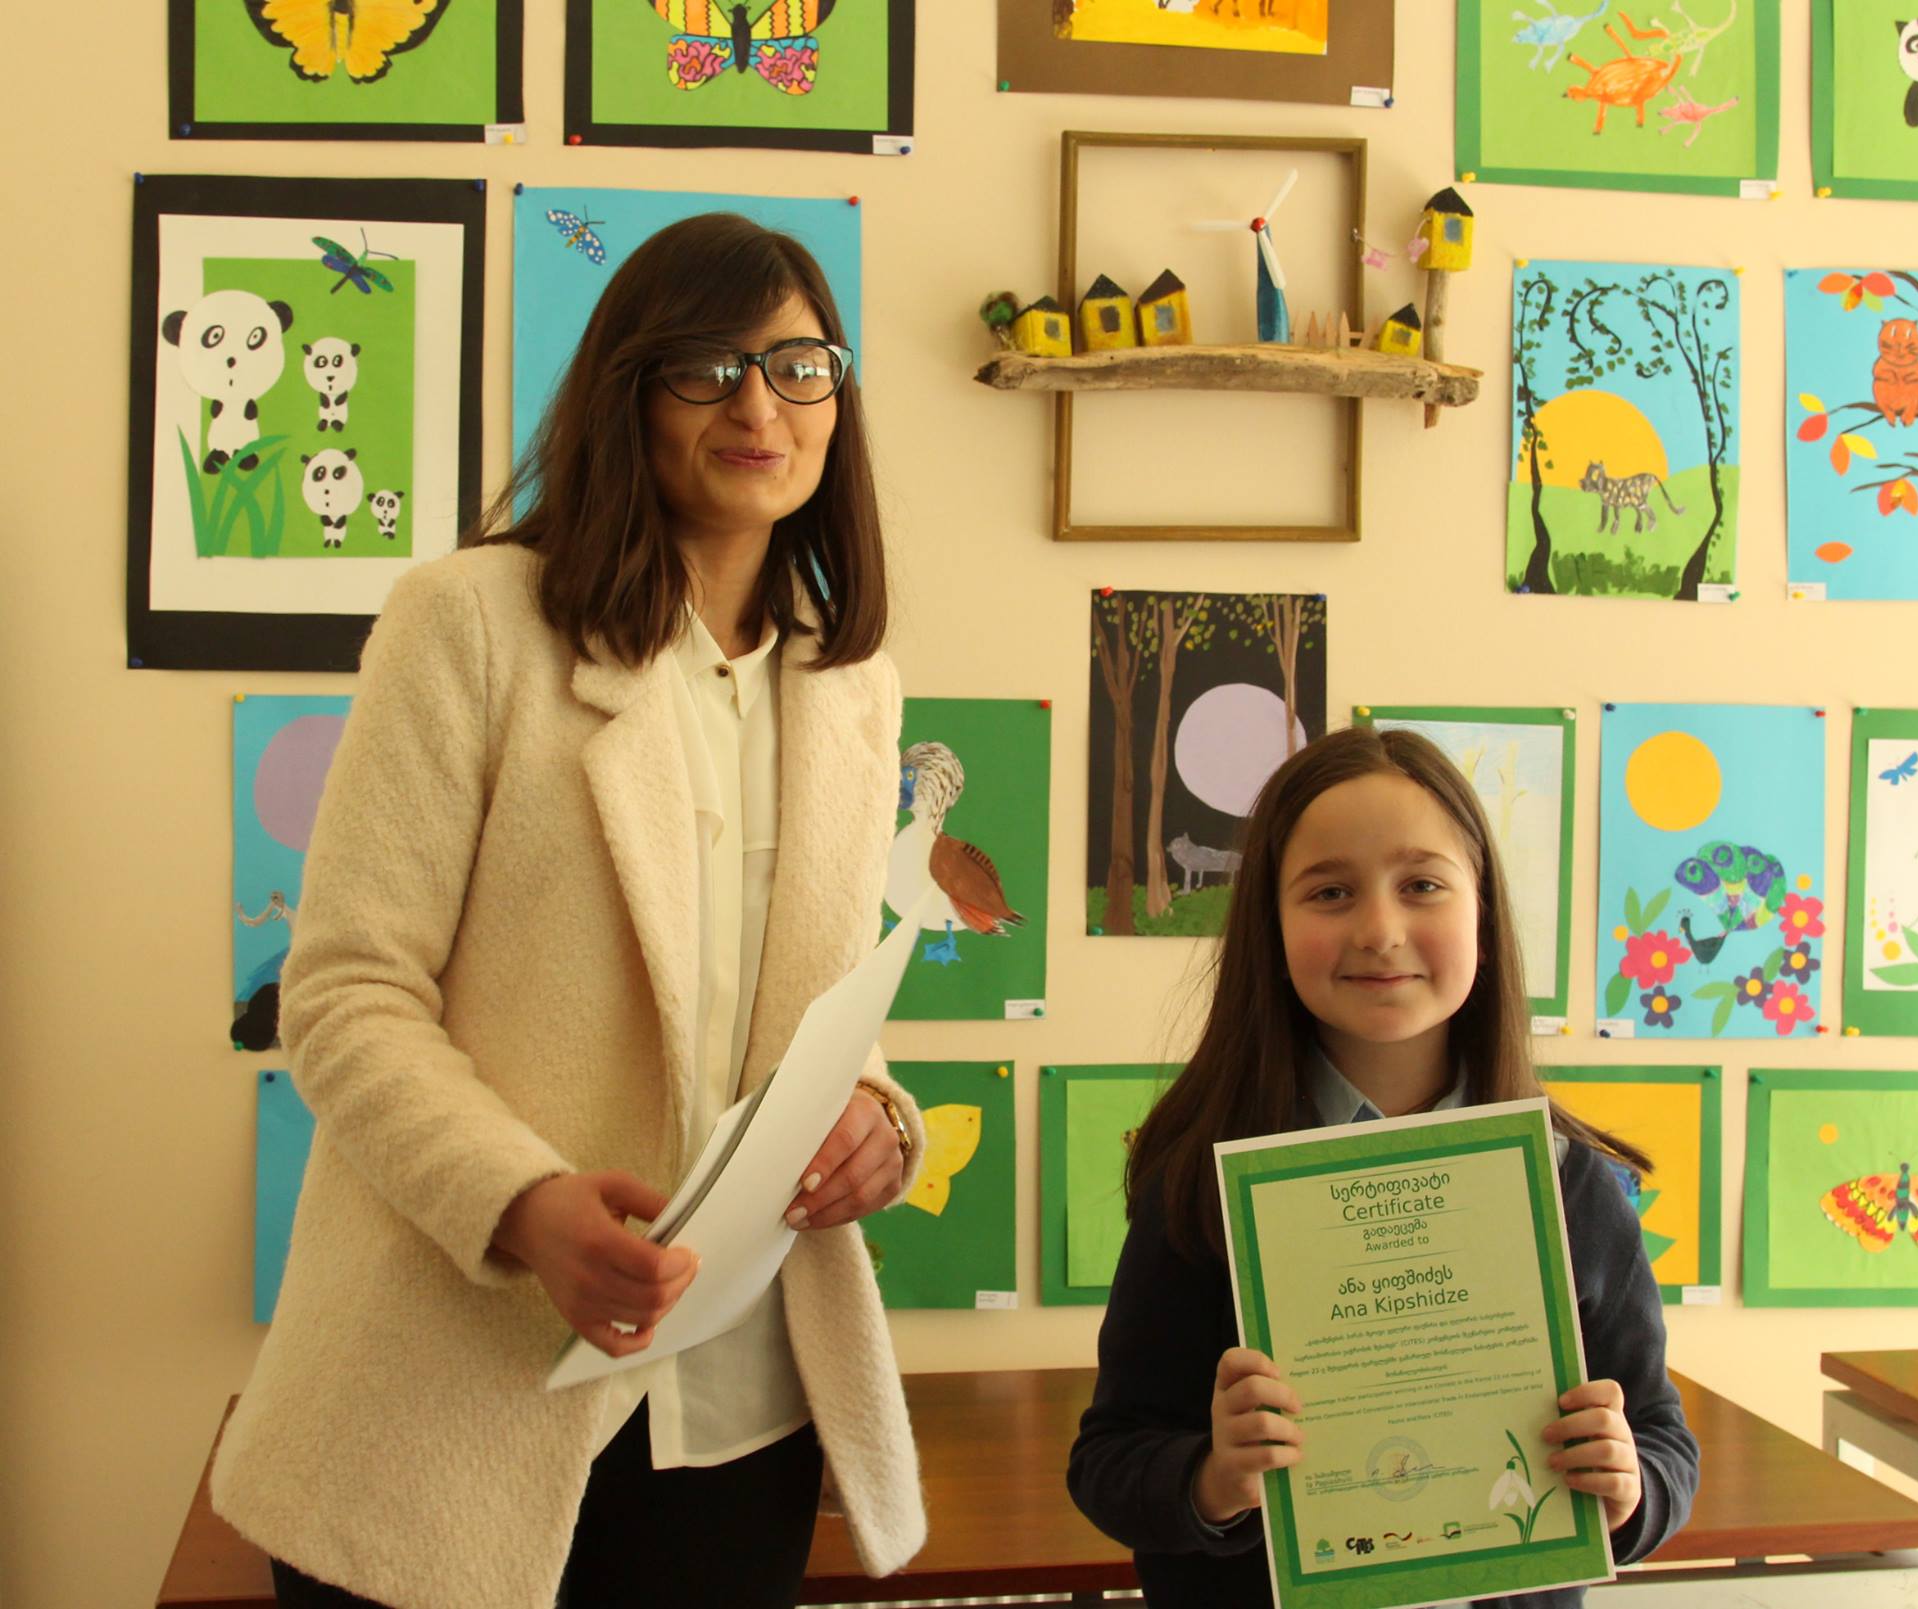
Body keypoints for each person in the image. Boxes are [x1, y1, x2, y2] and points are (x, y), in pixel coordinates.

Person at [210, 214, 929, 1609]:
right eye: (708, 367)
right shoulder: (472, 621)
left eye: (799, 366)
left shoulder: (853, 684)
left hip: (735, 1419)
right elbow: (346, 993)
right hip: (448, 1401)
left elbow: (806, 1012)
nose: (760, 407)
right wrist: (524, 1205)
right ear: (628, 391)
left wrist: (880, 1124)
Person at [1068, 726, 1700, 1607]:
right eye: (1329, 891)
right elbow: (1108, 1462)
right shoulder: (1203, 1185)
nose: (1379, 929)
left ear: (1484, 915)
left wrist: (1632, 1487)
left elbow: (1662, 1438)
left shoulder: (1570, 1185)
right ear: (1270, 928)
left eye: (1422, 885)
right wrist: (1213, 1478)